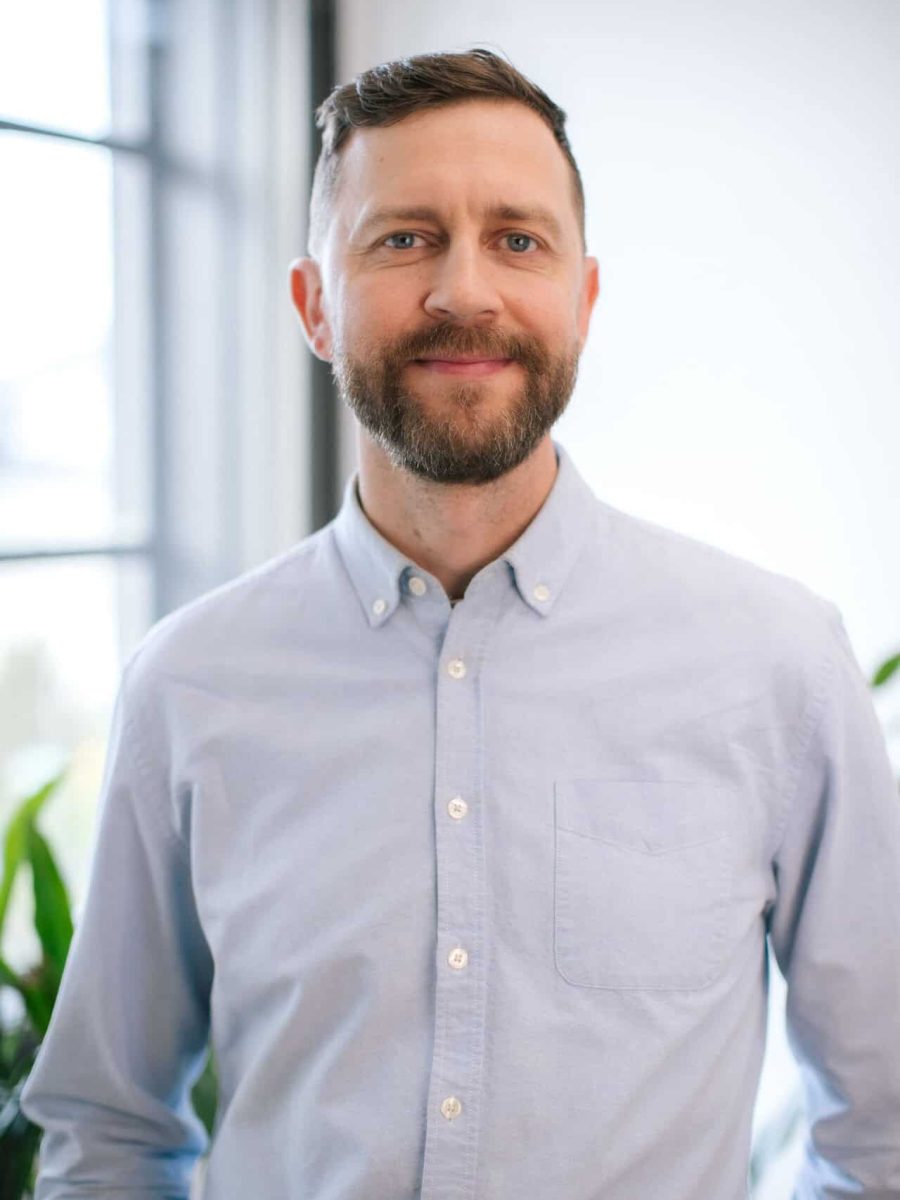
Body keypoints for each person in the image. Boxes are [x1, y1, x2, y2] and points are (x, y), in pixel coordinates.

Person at [21, 46, 900, 1200]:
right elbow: (109, 1135)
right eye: (405, 238)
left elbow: (884, 1130)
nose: (465, 291)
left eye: (518, 240)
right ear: (313, 305)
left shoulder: (778, 666)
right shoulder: (188, 684)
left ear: (583, 299)